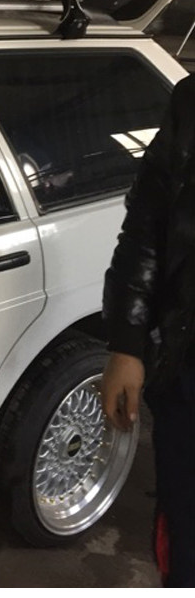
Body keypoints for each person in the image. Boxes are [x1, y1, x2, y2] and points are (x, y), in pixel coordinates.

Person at [102, 73, 195, 588]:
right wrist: (127, 345)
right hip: (187, 373)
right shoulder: (191, 103)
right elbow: (147, 228)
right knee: (185, 544)